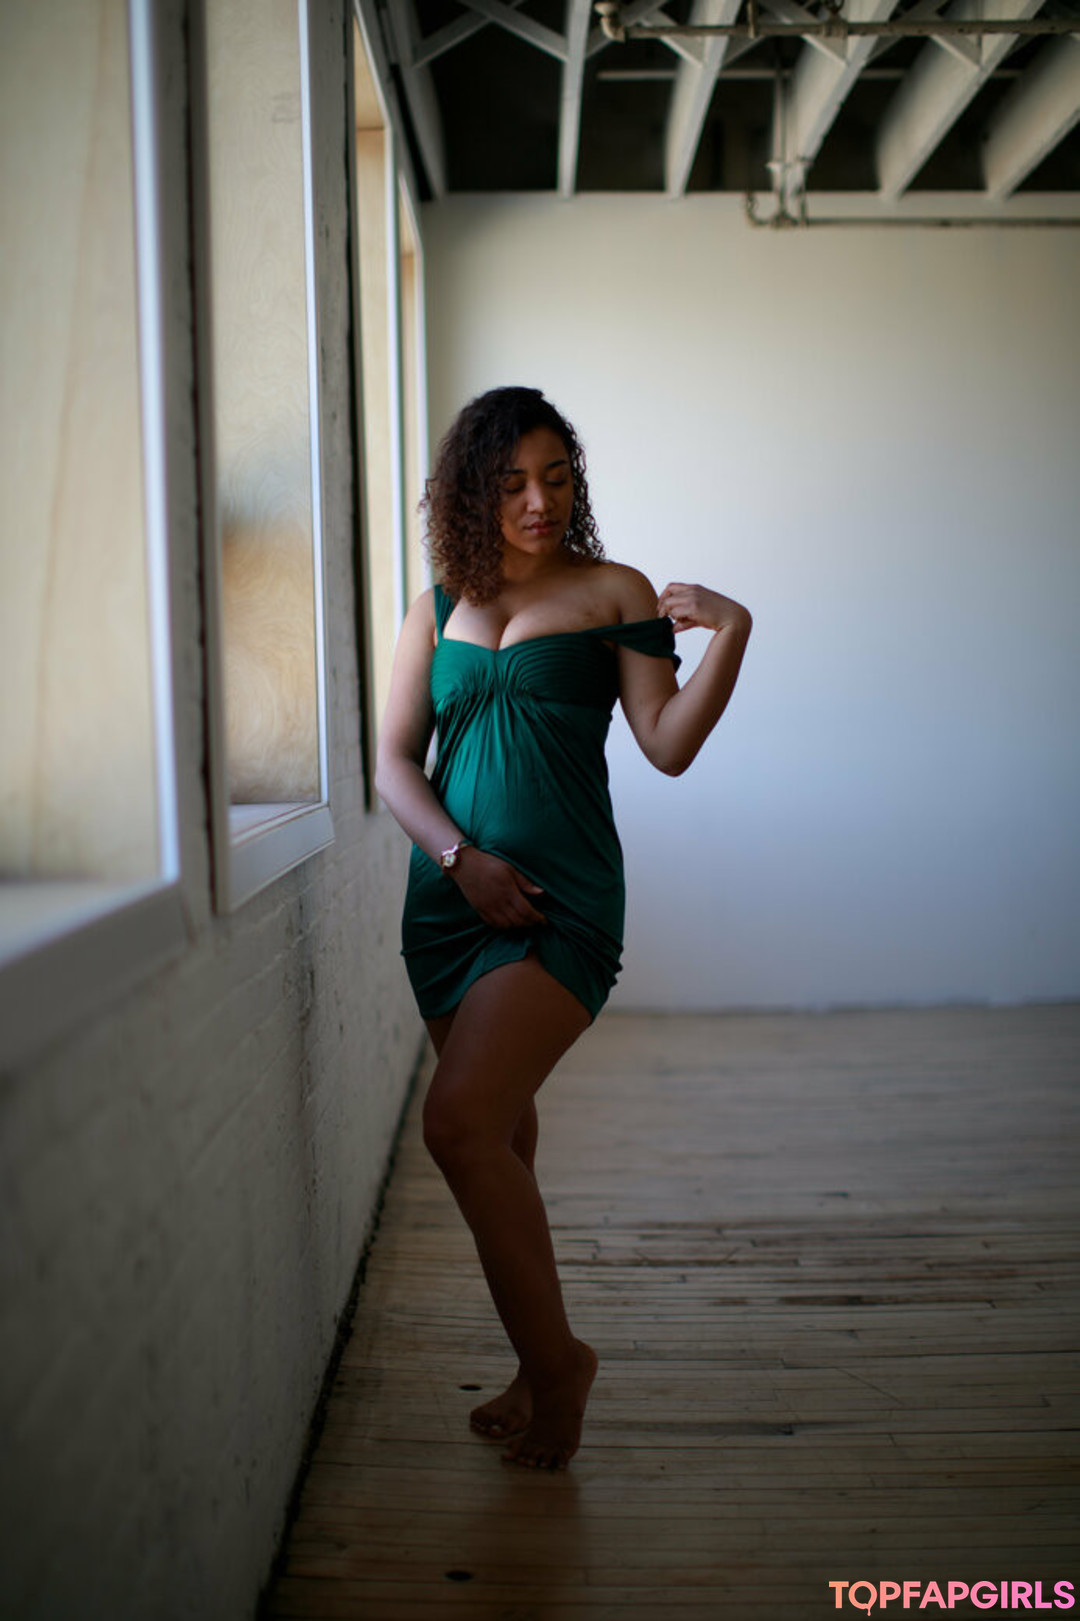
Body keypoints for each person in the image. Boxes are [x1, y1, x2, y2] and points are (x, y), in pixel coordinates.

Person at [375, 386, 752, 1470]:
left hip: (559, 901)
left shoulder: (613, 590)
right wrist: (462, 863)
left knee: (457, 1126)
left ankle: (561, 1366)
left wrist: (733, 632)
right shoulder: (436, 602)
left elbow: (666, 743)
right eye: (512, 483)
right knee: (502, 1141)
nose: (539, 501)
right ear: (472, 493)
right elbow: (393, 761)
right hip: (450, 902)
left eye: (556, 477)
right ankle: (532, 1357)